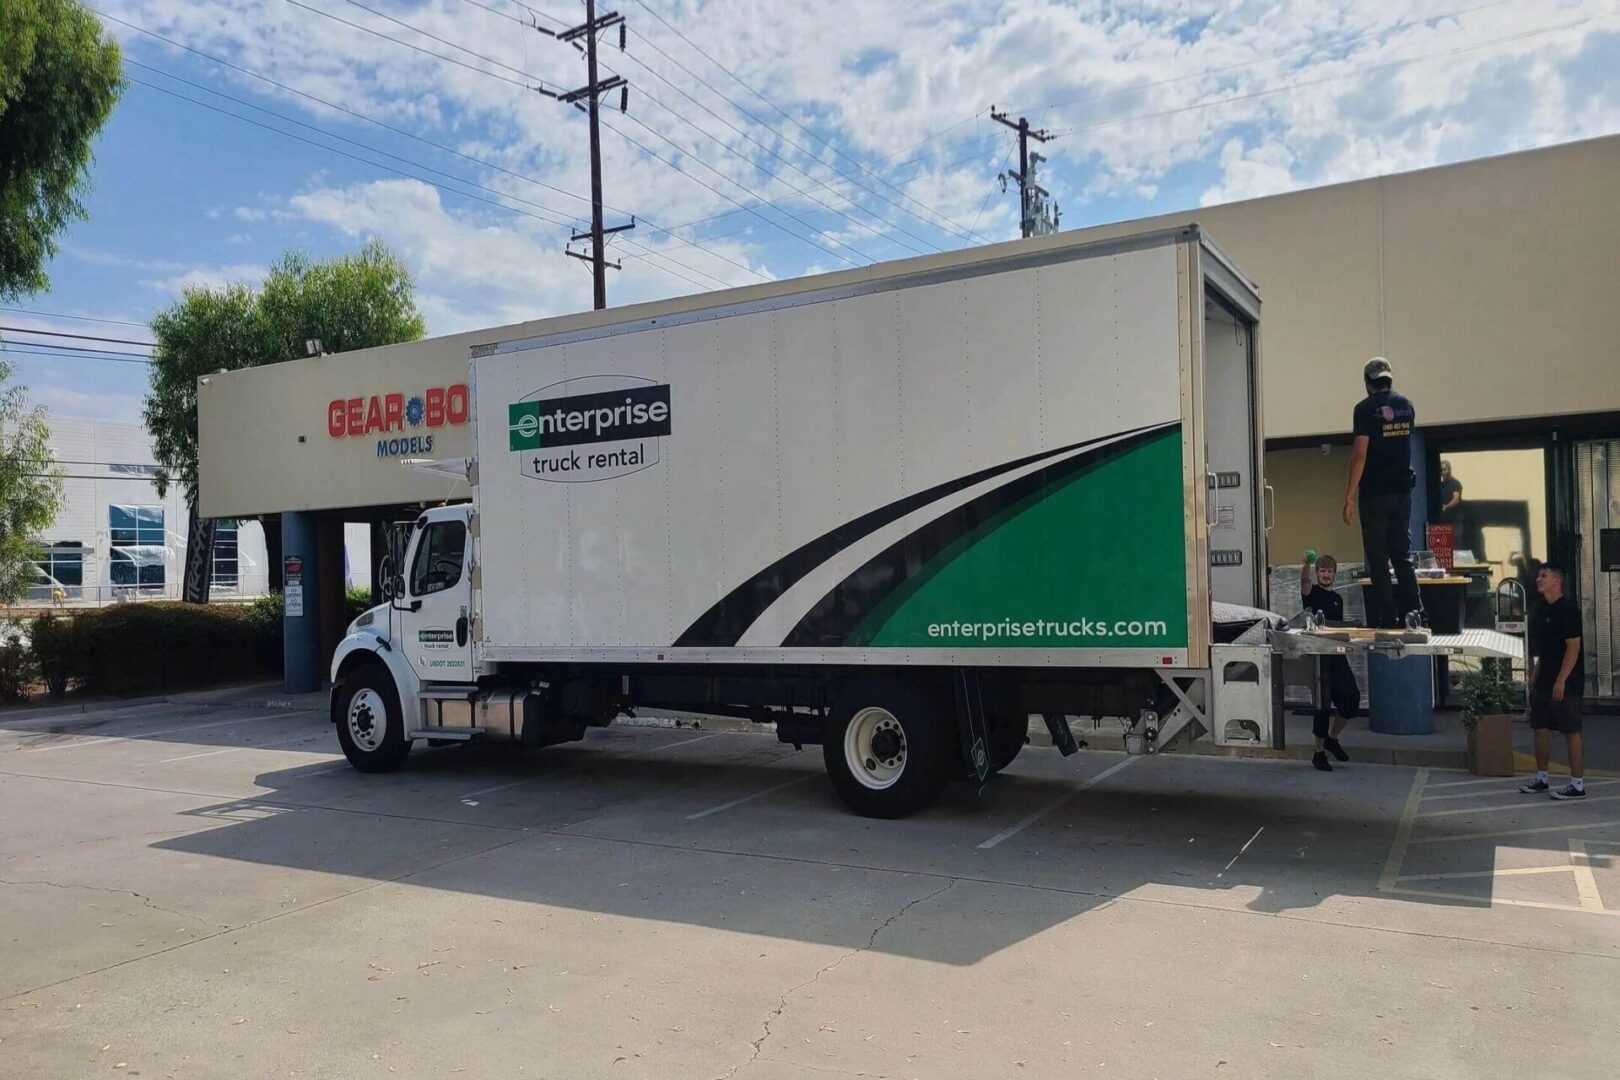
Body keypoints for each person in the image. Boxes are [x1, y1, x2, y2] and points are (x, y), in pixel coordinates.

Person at [1342, 357, 1424, 628]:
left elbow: (1360, 455)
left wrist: (1349, 496)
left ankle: (1387, 617)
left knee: (1378, 557)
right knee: (1401, 554)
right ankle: (1416, 613)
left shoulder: (1364, 409)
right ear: (1389, 379)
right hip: (1402, 492)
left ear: (1368, 383)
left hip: (1375, 493)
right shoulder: (1406, 406)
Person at [1518, 563, 1586, 800]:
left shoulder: (1567, 610)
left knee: (1571, 730)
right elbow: (1544, 650)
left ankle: (1577, 784)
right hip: (1544, 679)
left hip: (1566, 682)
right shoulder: (1543, 610)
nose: (1538, 579)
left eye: (1543, 576)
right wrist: (1535, 673)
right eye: (1539, 575)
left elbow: (1573, 648)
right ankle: (1541, 778)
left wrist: (1561, 680)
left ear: (1556, 581)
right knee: (1540, 727)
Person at [1300, 551, 1359, 772]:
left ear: (1334, 574)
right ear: (1317, 573)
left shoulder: (1337, 598)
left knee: (1351, 697)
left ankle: (1332, 738)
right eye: (1322, 571)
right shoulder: (1312, 593)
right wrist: (1306, 564)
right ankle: (1319, 753)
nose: (1326, 574)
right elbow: (1304, 582)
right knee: (1322, 705)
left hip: (1337, 654)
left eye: (1329, 571)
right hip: (1319, 656)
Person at [1437, 460, 1463, 526]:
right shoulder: (1441, 484)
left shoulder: (1455, 483)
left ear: (1449, 470)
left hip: (1454, 519)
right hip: (1443, 519)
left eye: (1444, 470)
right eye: (1441, 470)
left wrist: (1445, 507)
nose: (1442, 472)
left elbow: (1456, 500)